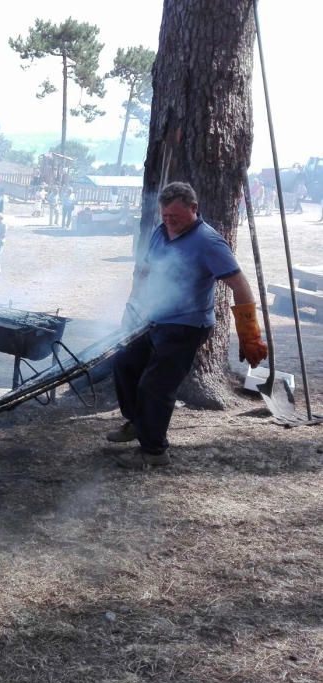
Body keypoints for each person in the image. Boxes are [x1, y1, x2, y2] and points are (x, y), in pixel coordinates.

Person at [108, 182, 267, 469]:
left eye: (176, 218)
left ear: (194, 209)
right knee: (124, 364)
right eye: (165, 216)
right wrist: (131, 309)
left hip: (186, 326)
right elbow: (143, 273)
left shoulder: (209, 242)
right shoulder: (161, 231)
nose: (169, 222)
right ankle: (138, 423)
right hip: (152, 319)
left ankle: (155, 453)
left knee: (155, 385)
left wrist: (249, 334)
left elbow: (240, 285)